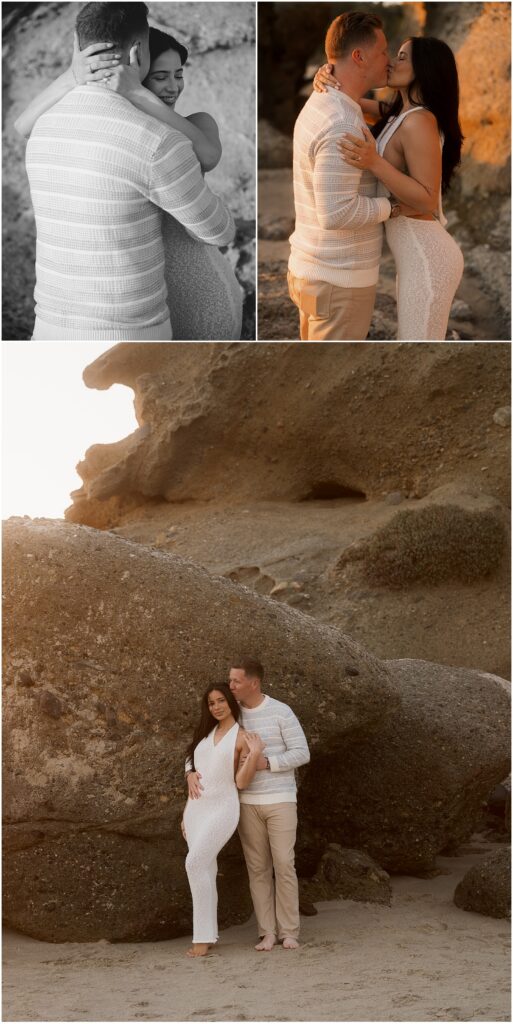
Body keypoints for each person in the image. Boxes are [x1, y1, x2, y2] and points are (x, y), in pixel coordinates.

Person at [16, 2, 235, 340]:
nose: (173, 86)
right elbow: (220, 231)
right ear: (137, 58)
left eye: (179, 75)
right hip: (135, 321)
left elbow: (22, 127)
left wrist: (108, 85)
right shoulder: (153, 142)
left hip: (56, 326)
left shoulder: (48, 127)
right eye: (160, 76)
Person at [315, 35, 464, 341]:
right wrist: (327, 72)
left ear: (425, 68)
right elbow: (347, 98)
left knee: (418, 346)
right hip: (416, 254)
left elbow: (426, 198)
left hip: (427, 255)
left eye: (402, 57)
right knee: (413, 342)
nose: (392, 62)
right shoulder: (400, 114)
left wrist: (374, 162)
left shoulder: (419, 120)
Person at [288, 12, 405, 342]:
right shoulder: (341, 121)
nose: (388, 59)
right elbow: (336, 213)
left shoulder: (325, 101)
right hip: (338, 282)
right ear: (359, 56)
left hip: (313, 272)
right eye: (383, 50)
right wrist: (391, 206)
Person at [187, 658, 310, 952]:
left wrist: (268, 762)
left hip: (280, 799)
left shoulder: (281, 712)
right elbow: (203, 748)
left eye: (235, 682)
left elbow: (302, 752)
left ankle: (289, 931)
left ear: (253, 683)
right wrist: (189, 772)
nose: (230, 687)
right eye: (229, 682)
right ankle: (266, 931)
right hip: (245, 802)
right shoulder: (233, 714)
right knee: (257, 868)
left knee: (284, 864)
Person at [182, 683, 264, 958]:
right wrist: (189, 774)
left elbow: (240, 782)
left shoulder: (242, 737)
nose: (216, 707)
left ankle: (202, 939)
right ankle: (210, 935)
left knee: (194, 863)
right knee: (204, 869)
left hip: (222, 808)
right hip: (195, 810)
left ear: (231, 702)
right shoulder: (205, 732)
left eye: (220, 701)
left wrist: (253, 755)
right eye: (211, 703)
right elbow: (190, 758)